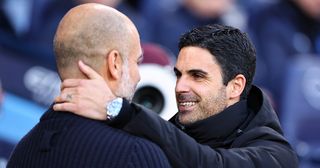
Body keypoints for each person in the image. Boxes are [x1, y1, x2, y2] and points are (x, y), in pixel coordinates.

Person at [53, 24, 299, 167]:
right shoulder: (172, 130)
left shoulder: (275, 155)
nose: (180, 86)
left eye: (197, 76)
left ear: (235, 86)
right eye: (179, 74)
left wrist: (118, 109)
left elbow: (212, 164)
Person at [7, 3, 171, 168]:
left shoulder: (23, 149)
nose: (139, 75)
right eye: (137, 62)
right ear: (114, 63)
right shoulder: (138, 154)